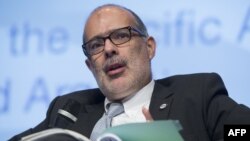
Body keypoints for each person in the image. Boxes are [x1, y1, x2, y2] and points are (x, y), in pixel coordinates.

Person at [9, 4, 250, 141]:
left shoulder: (197, 96)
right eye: (96, 45)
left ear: (149, 47)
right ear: (90, 65)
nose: (109, 49)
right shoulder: (67, 110)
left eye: (121, 35)